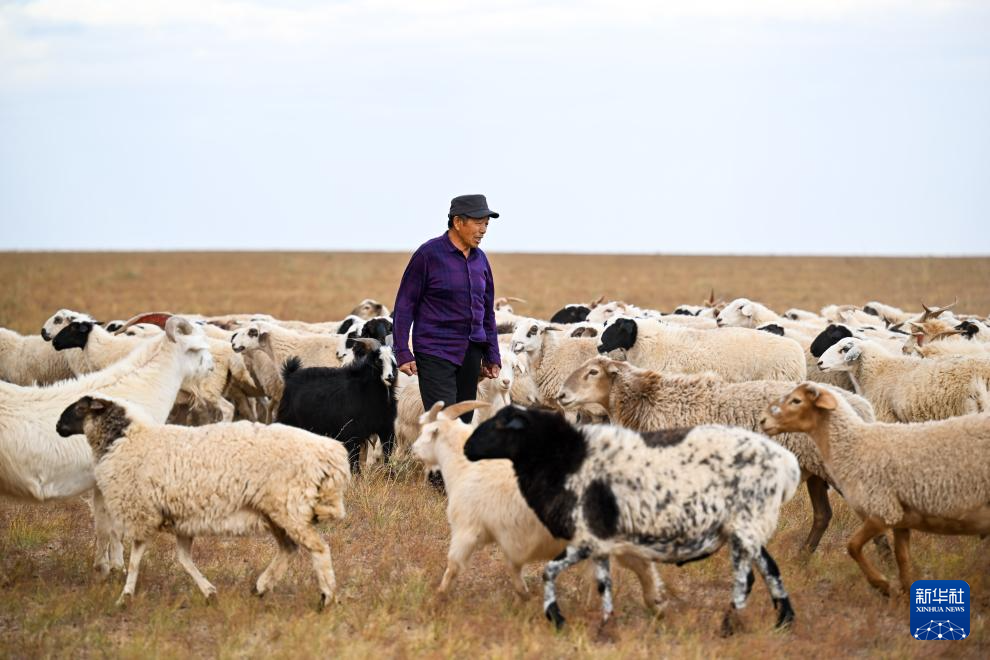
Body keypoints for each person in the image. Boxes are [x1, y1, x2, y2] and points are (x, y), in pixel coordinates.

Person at [393, 194, 502, 433]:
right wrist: (402, 351)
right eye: (478, 223)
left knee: (462, 424)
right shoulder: (428, 255)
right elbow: (405, 305)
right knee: (443, 423)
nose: (483, 230)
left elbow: (487, 313)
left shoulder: (481, 260)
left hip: (471, 352)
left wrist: (492, 355)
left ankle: (453, 459)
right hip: (435, 351)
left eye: (486, 224)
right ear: (458, 222)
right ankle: (435, 459)